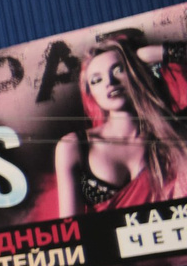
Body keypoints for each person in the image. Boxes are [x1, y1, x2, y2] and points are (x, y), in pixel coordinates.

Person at [54, 34, 187, 216]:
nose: (110, 83)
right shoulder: (74, 146)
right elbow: (69, 231)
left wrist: (144, 56)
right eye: (96, 80)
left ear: (135, 73)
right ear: (90, 92)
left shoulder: (174, 133)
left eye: (118, 70)